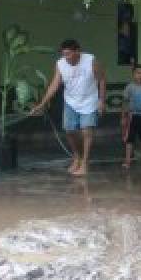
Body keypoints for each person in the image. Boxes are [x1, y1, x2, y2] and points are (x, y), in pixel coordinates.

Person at [33, 38, 106, 177]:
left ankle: (85, 163)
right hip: (71, 101)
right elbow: (54, 84)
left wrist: (101, 101)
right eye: (64, 54)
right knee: (69, 130)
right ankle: (77, 157)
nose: (66, 57)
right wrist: (42, 104)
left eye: (68, 54)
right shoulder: (60, 64)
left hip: (90, 100)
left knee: (87, 132)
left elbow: (102, 79)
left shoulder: (91, 61)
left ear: (78, 51)